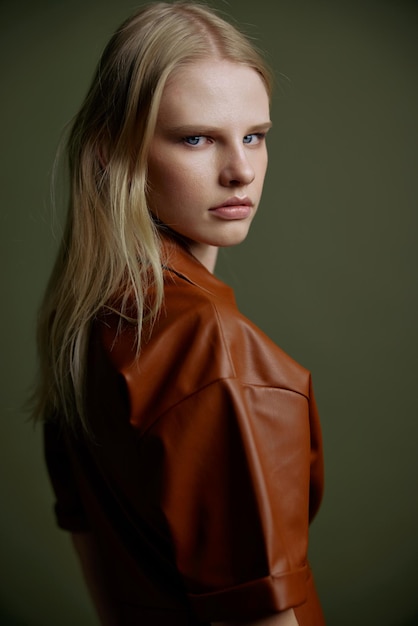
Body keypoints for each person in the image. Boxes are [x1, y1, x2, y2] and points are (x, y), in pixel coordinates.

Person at [33, 2, 325, 625]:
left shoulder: (84, 319)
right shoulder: (210, 345)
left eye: (255, 136)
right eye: (196, 138)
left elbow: (102, 576)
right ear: (114, 151)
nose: (240, 170)